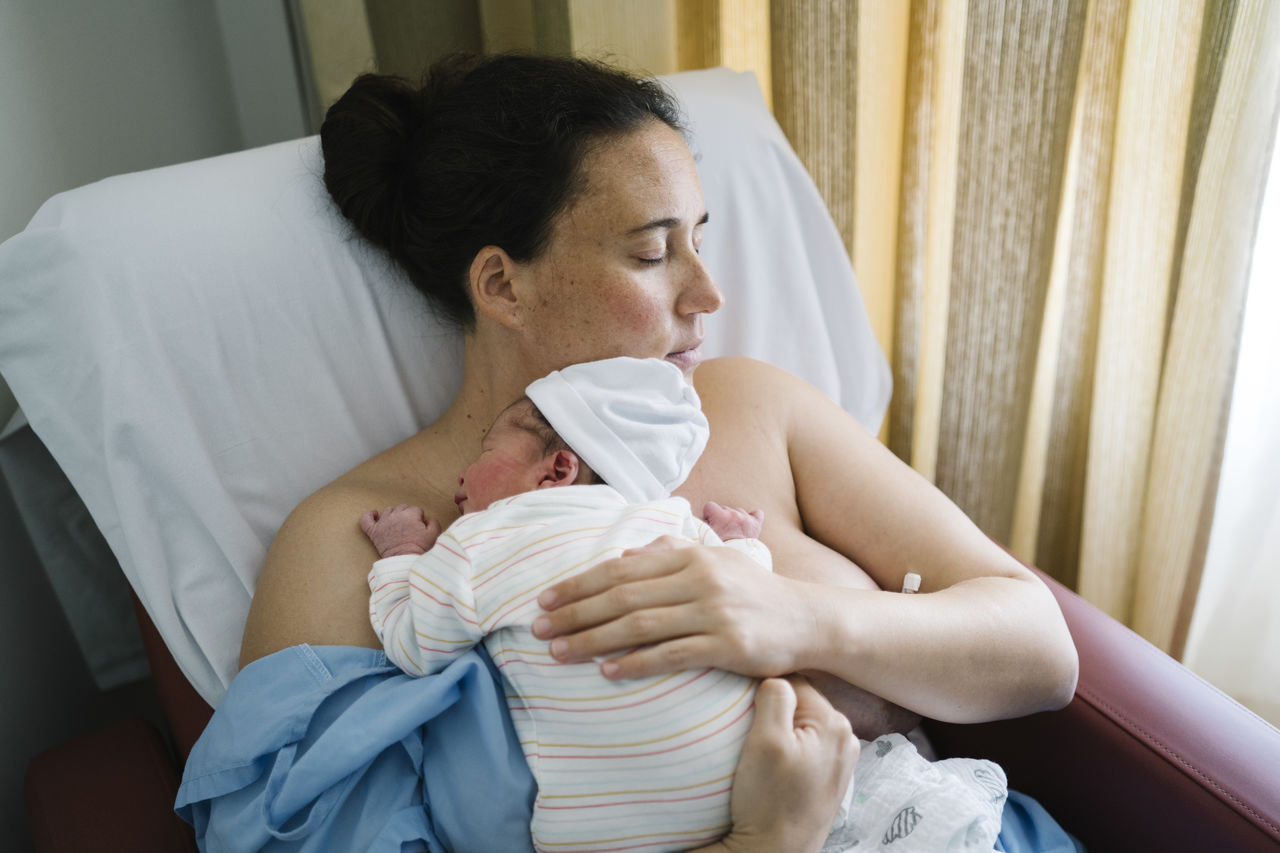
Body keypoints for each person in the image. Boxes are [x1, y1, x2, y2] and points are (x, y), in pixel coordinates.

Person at [217, 51, 1080, 852]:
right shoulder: (354, 547)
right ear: (501, 284)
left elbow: (1042, 651)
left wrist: (797, 617)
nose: (707, 293)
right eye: (652, 251)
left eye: (699, 239)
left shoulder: (747, 405)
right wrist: (762, 843)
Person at [361, 355, 1012, 853]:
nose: (460, 481)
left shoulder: (476, 541)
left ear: (557, 469)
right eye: (650, 249)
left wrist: (400, 555)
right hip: (819, 789)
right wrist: (738, 542)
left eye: (482, 456)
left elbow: (414, 636)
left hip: (612, 828)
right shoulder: (660, 521)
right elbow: (742, 571)